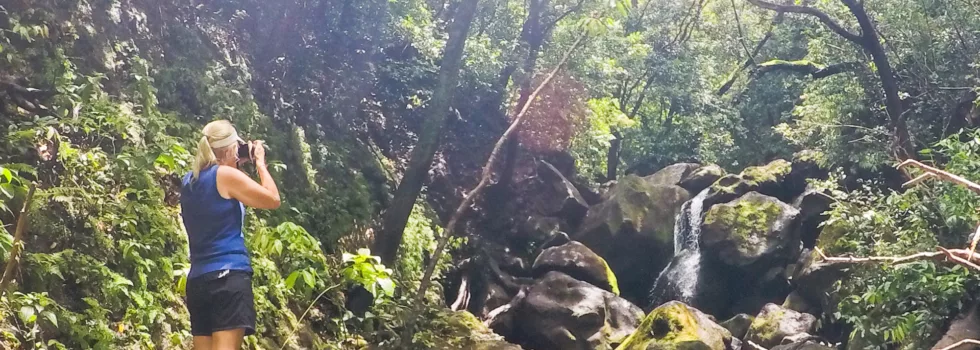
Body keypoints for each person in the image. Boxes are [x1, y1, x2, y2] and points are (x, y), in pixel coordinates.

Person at [180, 120, 280, 350]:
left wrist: (234, 164)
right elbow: (272, 199)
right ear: (230, 149)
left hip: (198, 281)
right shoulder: (225, 176)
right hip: (228, 279)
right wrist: (260, 163)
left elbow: (217, 194)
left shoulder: (189, 181)